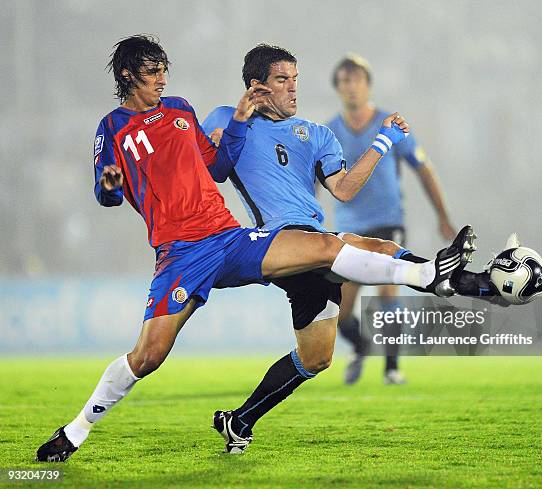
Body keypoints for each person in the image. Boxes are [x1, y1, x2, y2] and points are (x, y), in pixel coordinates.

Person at [36, 36, 477, 461]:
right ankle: (74, 433)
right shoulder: (111, 127)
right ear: (129, 75)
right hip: (180, 254)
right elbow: (106, 193)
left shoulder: (180, 111)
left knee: (326, 251)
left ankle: (428, 275)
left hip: (227, 237)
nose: (162, 80)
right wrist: (110, 184)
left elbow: (218, 167)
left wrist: (241, 123)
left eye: (164, 71)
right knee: (147, 357)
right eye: (153, 73)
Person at [200, 44, 489, 452]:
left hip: (315, 249)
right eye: (283, 81)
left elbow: (345, 189)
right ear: (257, 87)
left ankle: (240, 421)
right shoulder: (226, 119)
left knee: (316, 357)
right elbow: (213, 170)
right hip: (276, 242)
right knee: (357, 245)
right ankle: (442, 275)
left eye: (296, 80)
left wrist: (383, 140)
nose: (293, 89)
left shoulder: (317, 135)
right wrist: (238, 122)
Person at [326, 54, 458, 385]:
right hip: (349, 226)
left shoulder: (391, 124)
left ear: (367, 85)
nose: (351, 87)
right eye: (344, 81)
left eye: (356, 80)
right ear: (338, 88)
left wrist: (442, 216)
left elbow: (423, 169)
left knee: (388, 290)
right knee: (339, 314)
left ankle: (391, 367)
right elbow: (314, 179)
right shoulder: (329, 131)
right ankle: (360, 344)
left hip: (387, 220)